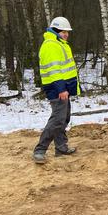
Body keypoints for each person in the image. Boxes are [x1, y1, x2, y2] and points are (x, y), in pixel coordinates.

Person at [32, 17, 80, 164]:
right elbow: (55, 71)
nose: (66, 34)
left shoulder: (60, 44)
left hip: (63, 89)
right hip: (57, 89)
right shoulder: (51, 45)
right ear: (55, 30)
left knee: (64, 118)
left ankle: (61, 147)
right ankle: (40, 150)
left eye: (67, 32)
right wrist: (62, 89)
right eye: (63, 31)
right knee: (57, 120)